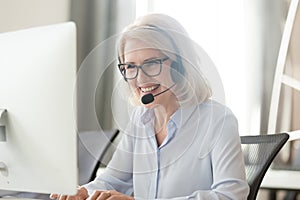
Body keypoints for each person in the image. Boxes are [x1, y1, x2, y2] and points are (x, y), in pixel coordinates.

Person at [50, 13, 249, 200]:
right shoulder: (141, 120)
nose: (141, 78)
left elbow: (231, 195)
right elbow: (113, 179)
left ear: (180, 65)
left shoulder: (218, 120)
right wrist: (83, 192)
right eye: (130, 67)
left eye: (152, 63)